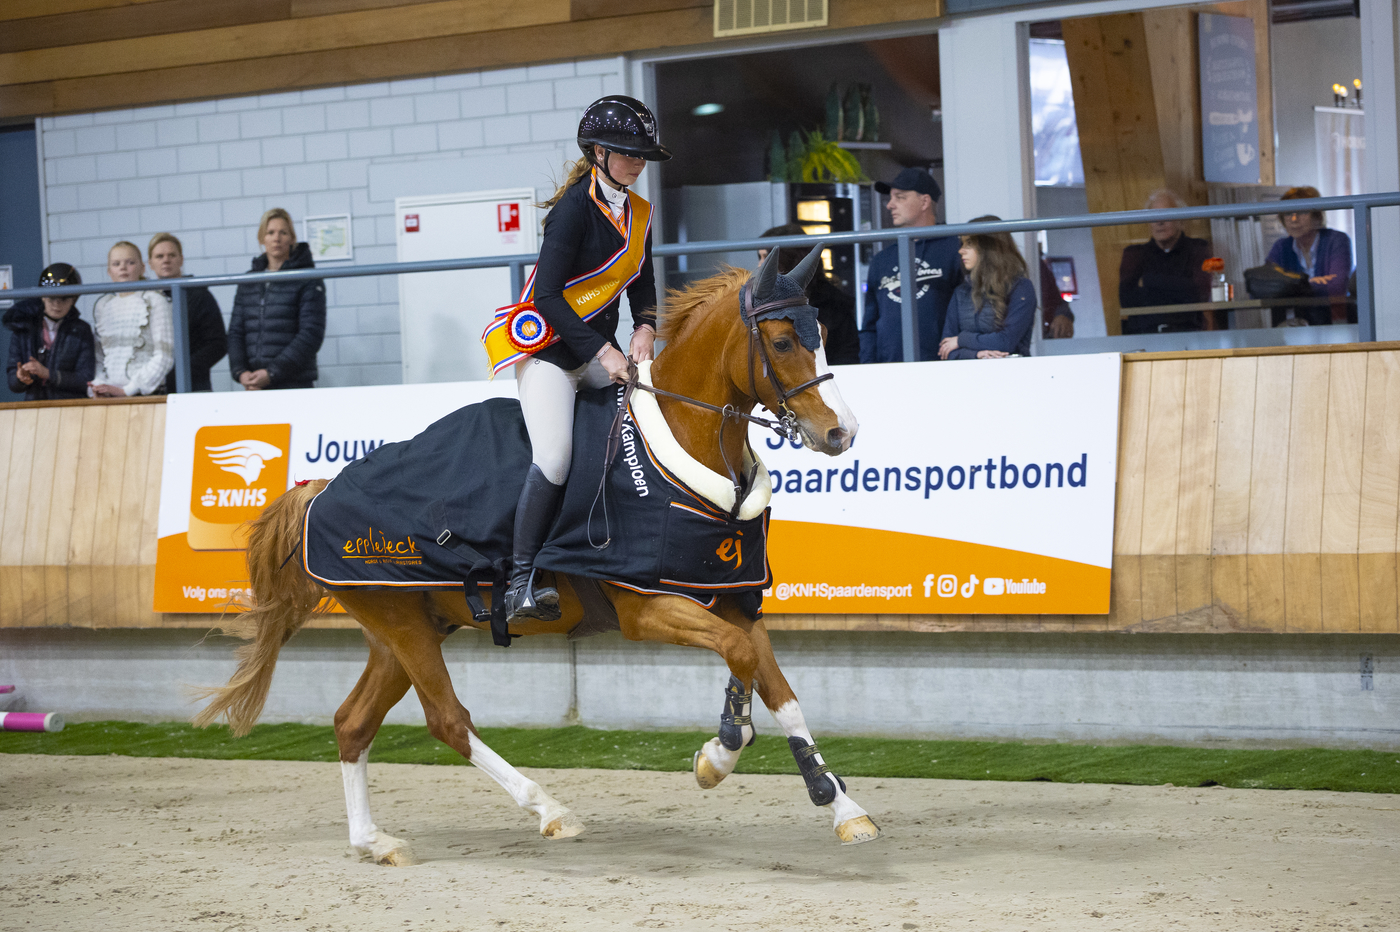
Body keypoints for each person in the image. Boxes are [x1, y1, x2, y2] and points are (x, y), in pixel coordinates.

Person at [480, 96, 668, 624]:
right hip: (552, 356)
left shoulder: (638, 213)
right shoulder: (570, 211)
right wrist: (604, 350)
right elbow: (547, 299)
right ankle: (520, 582)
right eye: (630, 154)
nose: (639, 163)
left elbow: (644, 285)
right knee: (557, 455)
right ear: (600, 153)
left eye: (643, 155)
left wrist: (647, 327)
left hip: (597, 352)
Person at [859, 167, 963, 363]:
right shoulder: (882, 259)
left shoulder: (956, 249)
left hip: (944, 368)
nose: (890, 205)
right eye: (890, 198)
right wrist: (868, 367)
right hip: (888, 371)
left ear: (924, 201)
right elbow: (869, 326)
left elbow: (970, 313)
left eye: (900, 197)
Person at [228, 208, 326, 390]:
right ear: (261, 239)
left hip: (295, 385)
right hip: (255, 386)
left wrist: (272, 373)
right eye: (270, 232)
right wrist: (240, 372)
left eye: (283, 232)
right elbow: (235, 332)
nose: (277, 238)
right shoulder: (248, 281)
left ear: (292, 239)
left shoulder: (308, 279)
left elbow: (311, 334)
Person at [758, 224, 860, 365]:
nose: (760, 265)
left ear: (787, 260)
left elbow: (847, 355)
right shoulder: (757, 303)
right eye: (760, 257)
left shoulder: (834, 304)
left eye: (765, 258)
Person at [938, 216, 1036, 360]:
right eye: (962, 243)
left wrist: (960, 340)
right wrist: (976, 355)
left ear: (988, 247)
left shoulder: (1021, 287)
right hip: (968, 378)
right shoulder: (961, 292)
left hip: (1012, 375)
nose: (961, 251)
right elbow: (946, 349)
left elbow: (1006, 342)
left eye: (969, 244)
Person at [1118, 189, 1213, 334]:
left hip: (1188, 333)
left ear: (1180, 220)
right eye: (1154, 216)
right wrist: (1180, 284)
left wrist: (1149, 282)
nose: (1159, 222)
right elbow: (1127, 301)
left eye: (1166, 215)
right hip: (1146, 336)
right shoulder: (1135, 254)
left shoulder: (1198, 248)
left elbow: (1199, 295)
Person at [89, 241, 174, 397]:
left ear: (142, 267)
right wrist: (98, 383)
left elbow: (165, 355)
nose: (123, 267)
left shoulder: (155, 300)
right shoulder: (103, 304)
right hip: (109, 393)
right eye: (116, 264)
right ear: (109, 271)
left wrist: (128, 390)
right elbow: (100, 356)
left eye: (130, 262)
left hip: (146, 394)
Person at [148, 233, 227, 393]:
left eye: (171, 255)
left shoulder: (199, 295)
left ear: (181, 259)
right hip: (152, 389)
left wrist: (183, 370)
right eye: (159, 256)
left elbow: (218, 344)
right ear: (150, 263)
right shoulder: (144, 299)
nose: (166, 260)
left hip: (194, 387)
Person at [1264, 185, 1353, 326]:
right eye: (1288, 213)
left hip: (1333, 322)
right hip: (1291, 326)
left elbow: (1337, 286)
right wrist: (1315, 282)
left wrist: (1292, 285)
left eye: (1301, 212)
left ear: (1317, 216)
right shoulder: (1281, 247)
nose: (1294, 219)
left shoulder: (1337, 240)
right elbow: (1265, 288)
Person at [4, 263, 95, 401]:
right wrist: (20, 377)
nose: (57, 304)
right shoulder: (23, 327)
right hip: (35, 407)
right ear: (42, 297)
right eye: (52, 297)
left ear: (73, 300)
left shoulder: (82, 330)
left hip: (72, 407)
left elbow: (86, 379)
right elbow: (12, 381)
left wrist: (48, 374)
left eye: (64, 298)